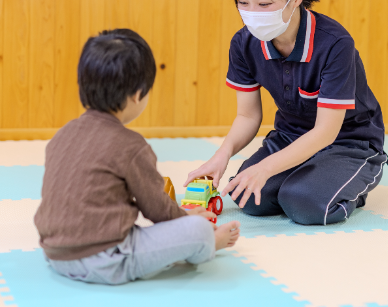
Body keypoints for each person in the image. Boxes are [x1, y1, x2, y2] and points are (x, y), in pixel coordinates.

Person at [185, 0, 388, 226]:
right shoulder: (243, 43)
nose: (252, 13)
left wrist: (267, 167)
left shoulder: (335, 43)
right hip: (290, 137)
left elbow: (326, 132)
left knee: (304, 204)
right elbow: (247, 116)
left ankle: (356, 176)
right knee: (248, 198)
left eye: (264, 4)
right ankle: (308, 177)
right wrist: (221, 156)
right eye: (243, 2)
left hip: (347, 142)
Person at [34, 29, 240, 285]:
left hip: (55, 254)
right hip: (108, 259)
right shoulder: (131, 146)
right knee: (198, 231)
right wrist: (187, 218)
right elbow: (157, 209)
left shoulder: (63, 134)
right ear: (137, 94)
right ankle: (211, 244)